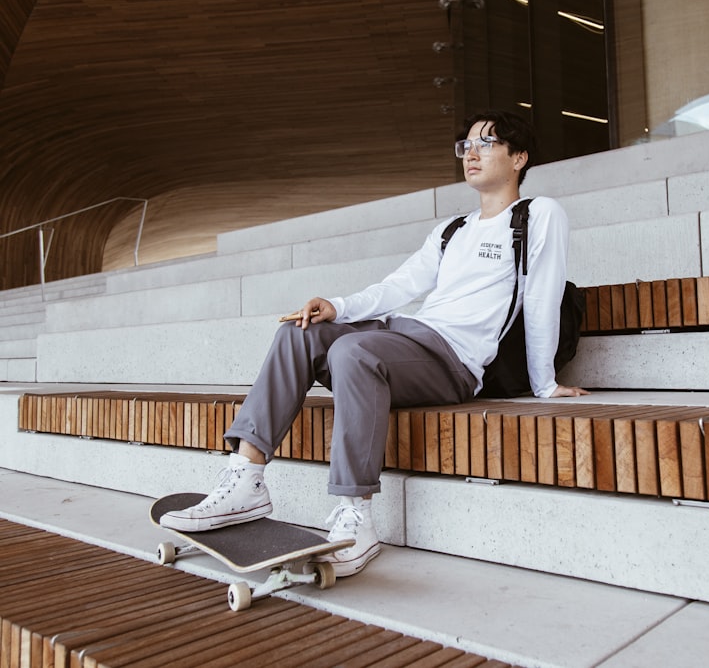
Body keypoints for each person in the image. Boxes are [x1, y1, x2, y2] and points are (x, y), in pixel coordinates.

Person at [160, 110, 589, 576]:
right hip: (404, 341)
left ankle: (355, 520)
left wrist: (545, 384)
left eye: (486, 144)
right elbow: (399, 286)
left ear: (520, 157)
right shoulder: (452, 230)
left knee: (351, 350)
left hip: (455, 363)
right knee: (297, 332)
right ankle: (245, 479)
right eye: (466, 146)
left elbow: (543, 297)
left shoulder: (537, 214)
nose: (471, 154)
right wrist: (337, 307)